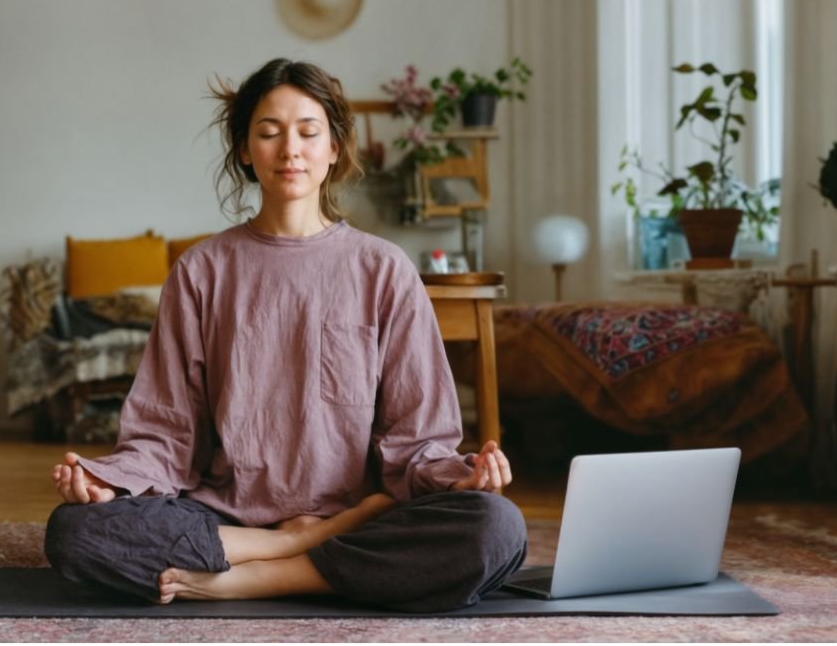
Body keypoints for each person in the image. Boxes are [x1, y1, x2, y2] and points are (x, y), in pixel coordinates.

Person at [45, 58, 526, 613]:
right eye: (269, 132)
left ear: (334, 149)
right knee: (75, 531)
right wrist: (112, 484)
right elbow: (165, 431)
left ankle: (259, 577)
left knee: (496, 528)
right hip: (229, 516)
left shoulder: (385, 270)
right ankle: (293, 548)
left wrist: (462, 478)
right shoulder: (202, 270)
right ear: (246, 150)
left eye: (307, 132)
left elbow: (417, 443)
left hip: (361, 512)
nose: (289, 149)